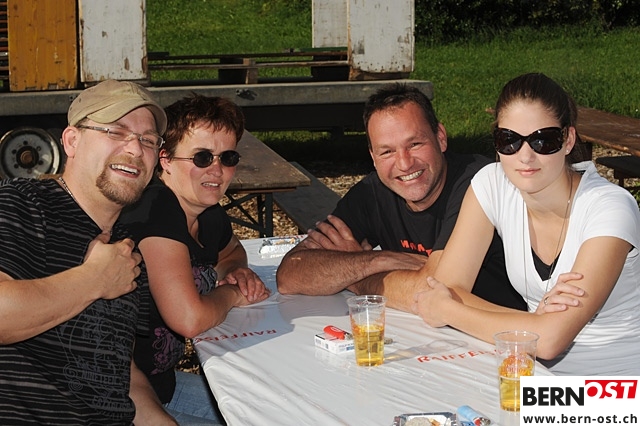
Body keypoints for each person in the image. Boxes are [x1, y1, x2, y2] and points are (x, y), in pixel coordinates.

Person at [409, 72, 640, 375]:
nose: (525, 156)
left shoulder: (609, 207)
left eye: (544, 140)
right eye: (509, 141)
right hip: (532, 372)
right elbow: (449, 287)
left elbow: (550, 341)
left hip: (616, 386)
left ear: (568, 140)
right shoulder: (491, 185)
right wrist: (534, 324)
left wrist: (448, 311)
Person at [0, 79, 177, 424]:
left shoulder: (126, 250)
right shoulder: (21, 203)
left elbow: (118, 372)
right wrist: (94, 279)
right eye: (116, 131)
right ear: (72, 141)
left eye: (148, 140)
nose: (135, 148)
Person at [277, 83, 526, 312]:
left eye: (415, 144)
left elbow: (435, 294)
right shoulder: (373, 193)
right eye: (387, 152)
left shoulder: (479, 184)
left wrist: (355, 277)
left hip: (506, 334)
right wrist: (374, 260)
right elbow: (290, 274)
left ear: (440, 138)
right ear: (373, 157)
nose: (404, 164)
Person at [119, 94, 270, 424]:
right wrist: (232, 293)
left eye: (227, 157)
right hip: (120, 400)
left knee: (267, 410)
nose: (216, 169)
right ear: (166, 159)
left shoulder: (207, 213)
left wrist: (235, 270)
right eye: (202, 157)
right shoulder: (156, 209)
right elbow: (189, 319)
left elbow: (231, 251)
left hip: (163, 385)